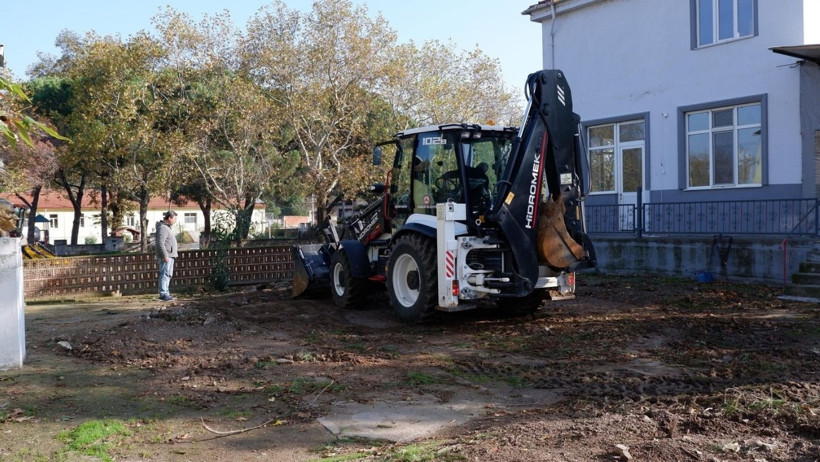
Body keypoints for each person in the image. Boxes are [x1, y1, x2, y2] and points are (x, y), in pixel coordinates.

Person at [156, 211, 179, 301]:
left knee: (168, 274)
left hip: (170, 255)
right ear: (169, 218)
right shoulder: (163, 228)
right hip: (166, 256)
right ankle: (163, 293)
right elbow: (160, 243)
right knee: (165, 274)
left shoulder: (166, 227)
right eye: (175, 219)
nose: (175, 221)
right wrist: (165, 255)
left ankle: (166, 293)